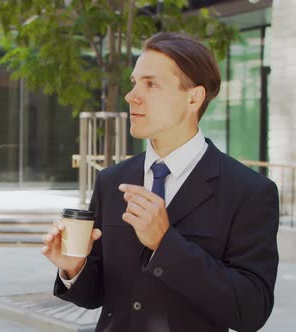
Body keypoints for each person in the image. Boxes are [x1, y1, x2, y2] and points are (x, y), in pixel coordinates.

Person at [42, 32, 279, 332]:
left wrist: (165, 244)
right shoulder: (112, 181)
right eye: (134, 83)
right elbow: (98, 295)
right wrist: (74, 267)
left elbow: (251, 311)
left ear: (194, 97)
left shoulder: (249, 192)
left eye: (151, 84)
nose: (132, 96)